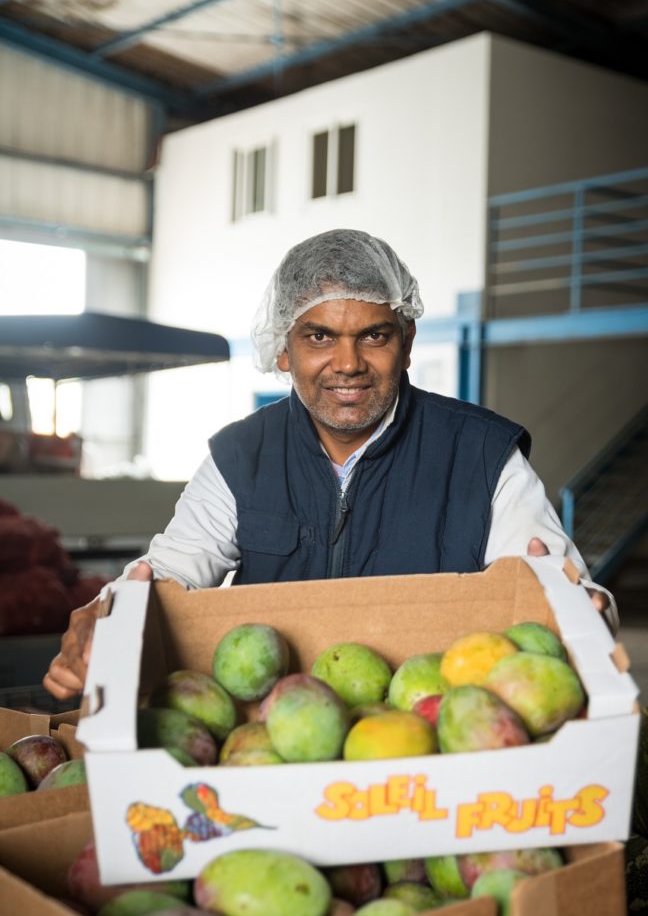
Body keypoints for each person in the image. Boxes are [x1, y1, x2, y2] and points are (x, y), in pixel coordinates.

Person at [44, 229, 615, 700]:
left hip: (434, 734)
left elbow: (556, 585)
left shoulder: (483, 456)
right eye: (319, 336)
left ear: (407, 342)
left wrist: (583, 612)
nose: (348, 363)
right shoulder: (241, 457)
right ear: (283, 349)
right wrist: (109, 615)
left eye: (374, 335)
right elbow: (169, 571)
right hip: (277, 733)